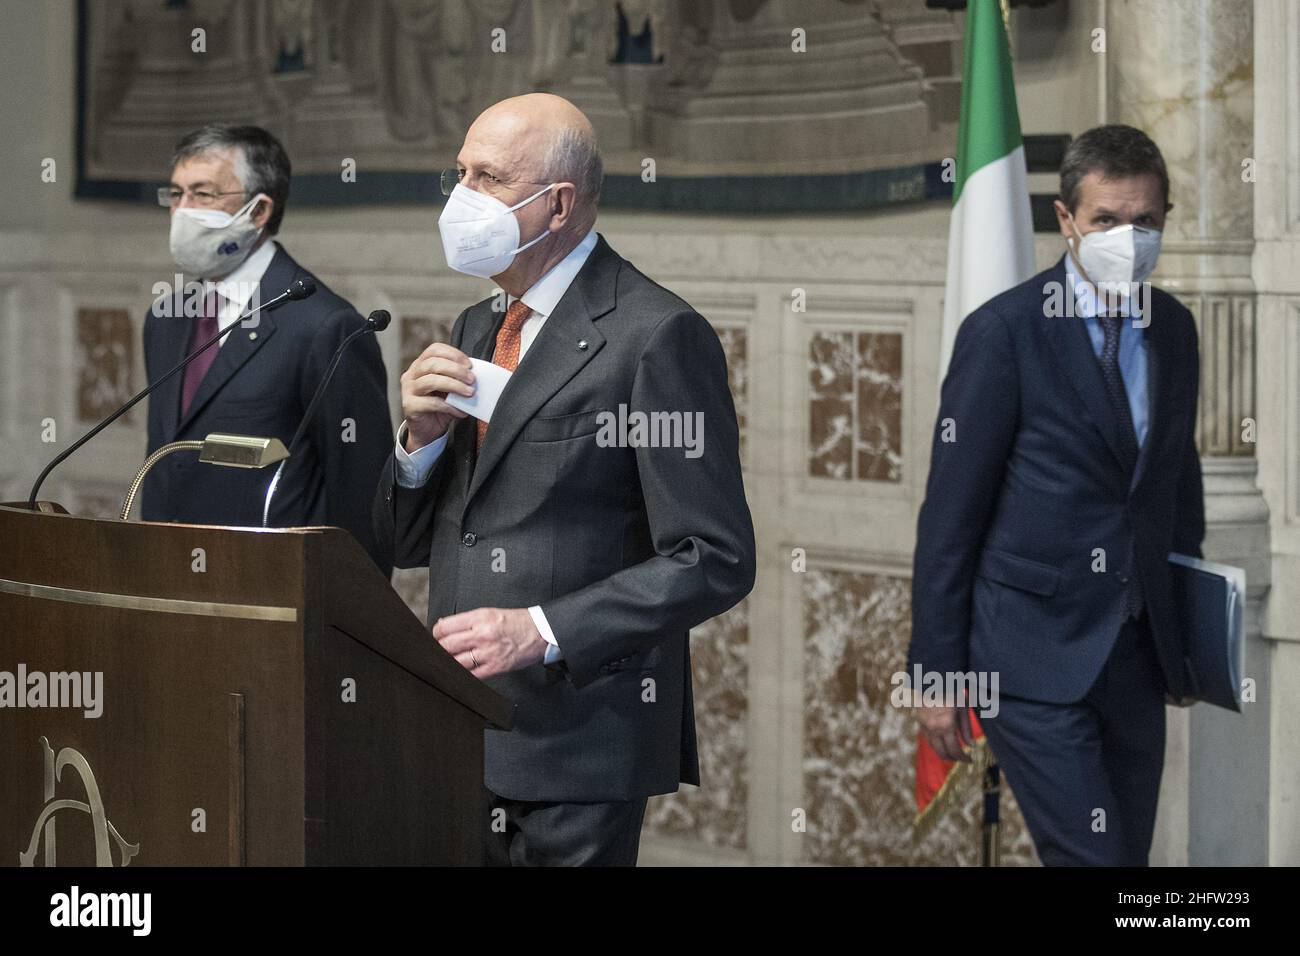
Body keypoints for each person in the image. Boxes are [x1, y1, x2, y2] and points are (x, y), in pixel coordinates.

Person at [373, 93, 755, 866]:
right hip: (459, 727)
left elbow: (713, 557)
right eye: (460, 173)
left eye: (487, 177)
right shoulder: (479, 324)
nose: (461, 197)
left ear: (558, 206)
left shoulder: (655, 335)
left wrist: (541, 630)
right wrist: (419, 441)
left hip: (579, 742)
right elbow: (415, 541)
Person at [909, 124, 1205, 865]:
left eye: (1145, 221)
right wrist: (937, 672)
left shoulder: (1175, 329)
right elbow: (949, 519)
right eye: (1107, 220)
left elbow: (1176, 492)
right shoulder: (1004, 333)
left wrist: (1188, 643)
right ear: (1066, 219)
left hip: (1136, 659)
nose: (1127, 238)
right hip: (1029, 660)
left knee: (1127, 861)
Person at [143, 125, 393, 574]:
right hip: (168, 584)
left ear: (258, 210)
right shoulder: (164, 318)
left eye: (203, 194)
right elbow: (166, 458)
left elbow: (361, 499)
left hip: (270, 594)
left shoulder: (325, 326)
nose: (182, 211)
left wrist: (345, 623)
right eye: (176, 194)